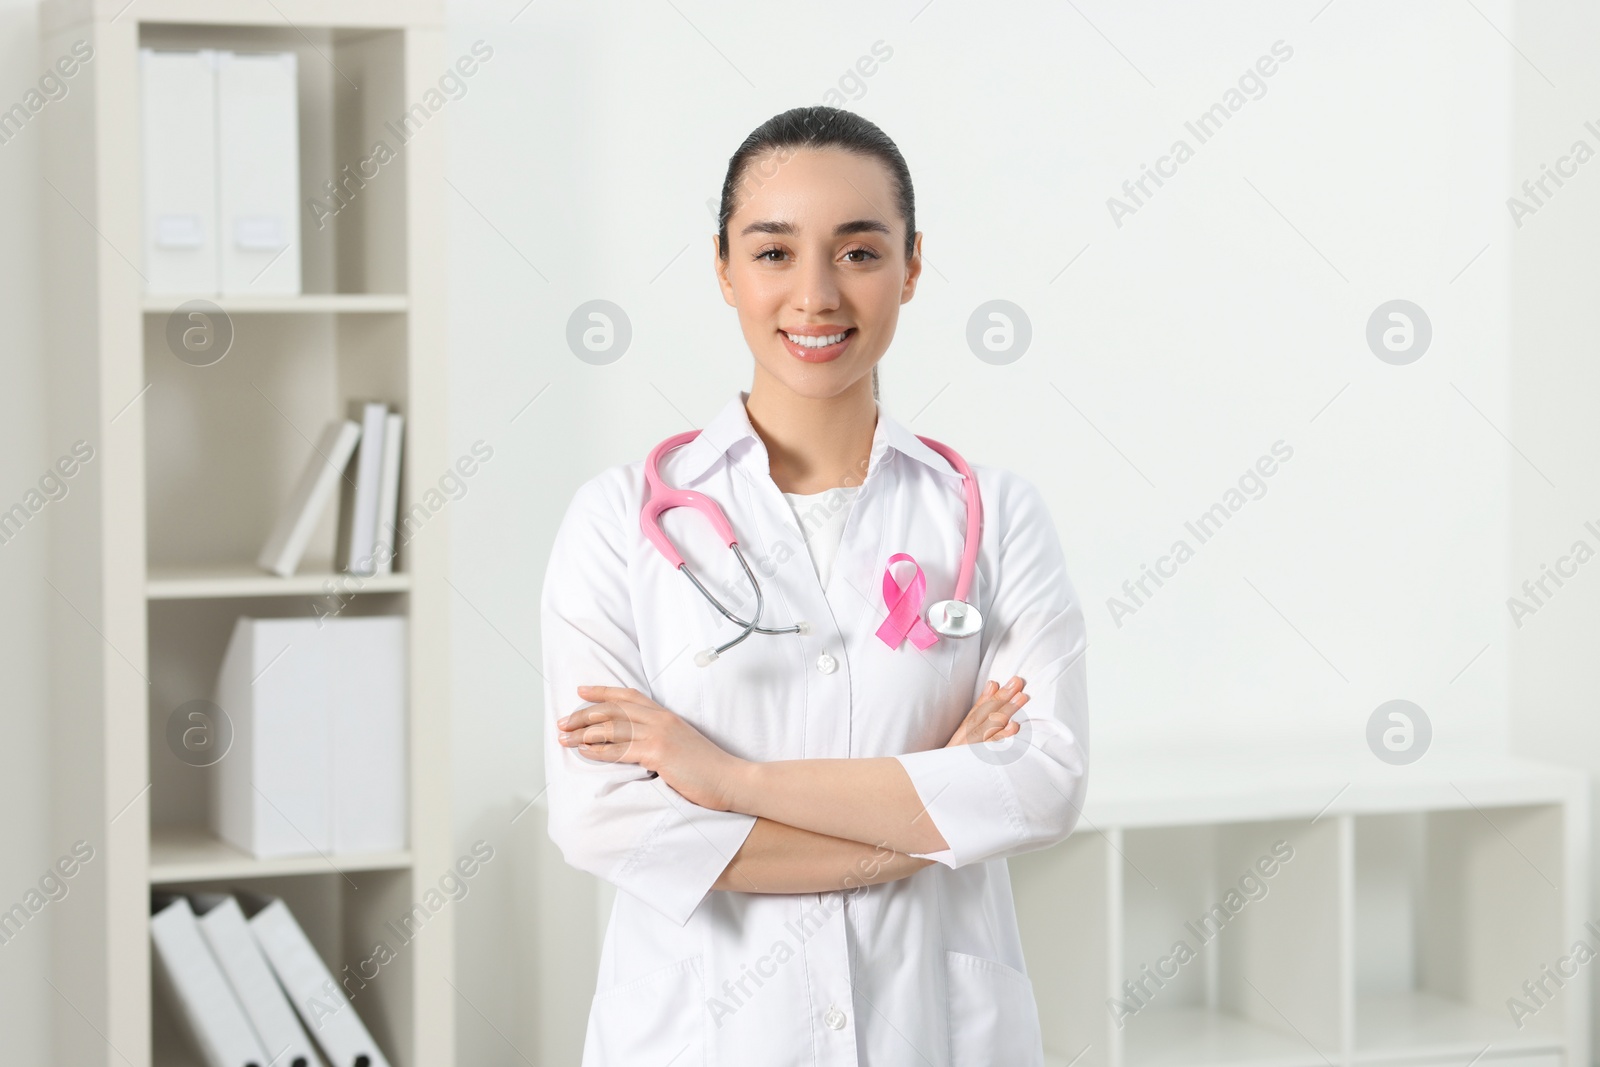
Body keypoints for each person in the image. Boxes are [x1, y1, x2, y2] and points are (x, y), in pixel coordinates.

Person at [540, 105, 1089, 1066]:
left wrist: (727, 782)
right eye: (774, 252)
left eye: (860, 252)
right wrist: (927, 823)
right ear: (722, 269)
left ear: (913, 267)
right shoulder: (615, 522)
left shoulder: (994, 516)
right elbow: (606, 820)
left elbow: (1039, 786)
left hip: (934, 1033)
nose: (816, 295)